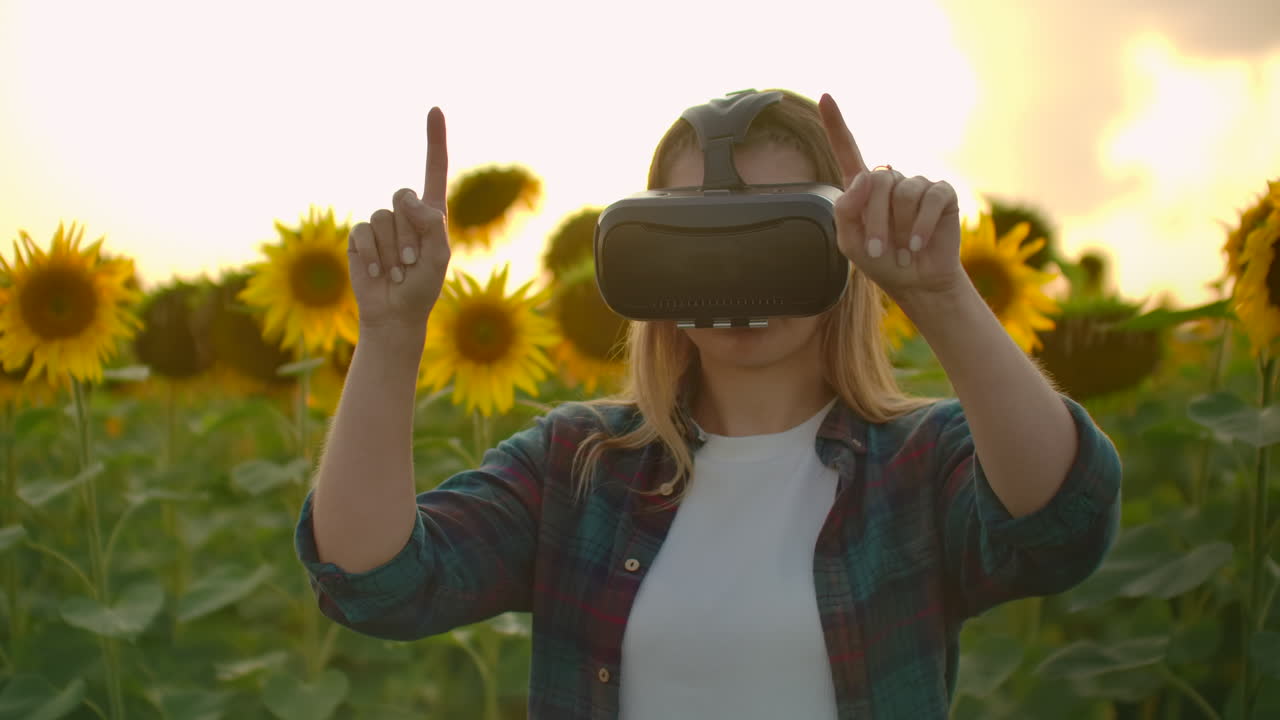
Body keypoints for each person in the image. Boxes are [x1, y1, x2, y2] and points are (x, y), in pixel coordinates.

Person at [293, 88, 1123, 720]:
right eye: (699, 242)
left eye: (775, 237)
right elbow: (379, 585)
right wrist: (391, 332)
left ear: (841, 245)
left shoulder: (917, 463)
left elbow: (1061, 527)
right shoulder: (579, 467)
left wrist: (938, 291)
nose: (737, 281)